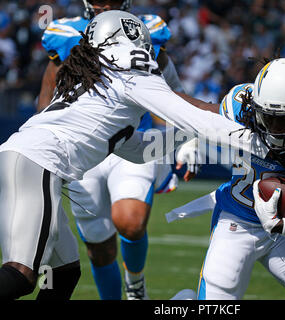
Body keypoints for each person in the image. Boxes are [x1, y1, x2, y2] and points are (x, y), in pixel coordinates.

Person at [0, 10, 261, 300]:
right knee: (22, 274)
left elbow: (136, 150)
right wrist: (257, 140)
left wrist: (188, 134)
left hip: (24, 160)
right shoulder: (131, 71)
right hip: (37, 163)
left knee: (64, 273)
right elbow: (192, 115)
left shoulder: (97, 82)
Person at [168, 58, 285, 300]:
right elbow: (200, 114)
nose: (275, 128)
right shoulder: (242, 108)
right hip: (239, 218)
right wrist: (191, 137)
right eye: (268, 116)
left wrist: (281, 226)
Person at [38, 0, 190, 300]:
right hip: (85, 150)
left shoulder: (145, 33)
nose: (105, 4)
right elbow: (47, 97)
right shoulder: (66, 35)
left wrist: (179, 143)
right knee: (99, 246)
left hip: (133, 140)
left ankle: (135, 284)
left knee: (130, 222)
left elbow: (171, 94)